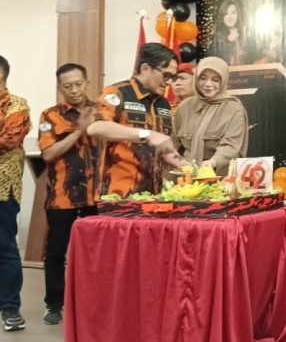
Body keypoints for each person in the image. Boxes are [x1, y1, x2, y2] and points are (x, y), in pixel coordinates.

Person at [37, 63, 97, 325]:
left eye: (78, 84)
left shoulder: (102, 112)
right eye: (67, 86)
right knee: (56, 252)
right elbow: (48, 153)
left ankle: (94, 302)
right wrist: (80, 131)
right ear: (60, 88)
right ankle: (53, 305)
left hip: (97, 195)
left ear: (87, 82)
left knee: (97, 254)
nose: (74, 90)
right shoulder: (50, 116)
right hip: (63, 195)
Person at [87, 43, 186, 198]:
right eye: (166, 75)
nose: (169, 82)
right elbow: (95, 127)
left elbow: (163, 146)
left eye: (172, 77)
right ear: (145, 69)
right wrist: (146, 134)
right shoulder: (117, 93)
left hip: (154, 194)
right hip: (119, 194)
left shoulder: (163, 103)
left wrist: (187, 167)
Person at [173, 57, 249, 176]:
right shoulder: (185, 107)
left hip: (219, 178)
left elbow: (231, 146)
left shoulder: (234, 109)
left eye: (215, 80)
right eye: (203, 78)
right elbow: (173, 145)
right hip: (185, 178)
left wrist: (213, 162)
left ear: (223, 81)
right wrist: (179, 163)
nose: (208, 84)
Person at [0, 55, 31, 332]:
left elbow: (8, 140)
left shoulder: (17, 105)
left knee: (5, 247)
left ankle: (9, 307)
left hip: (3, 188)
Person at [210, 0, 245, 65]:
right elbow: (216, 60)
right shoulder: (217, 36)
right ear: (222, 16)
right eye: (226, 13)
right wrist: (229, 41)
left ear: (238, 14)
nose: (230, 17)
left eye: (233, 12)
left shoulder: (242, 34)